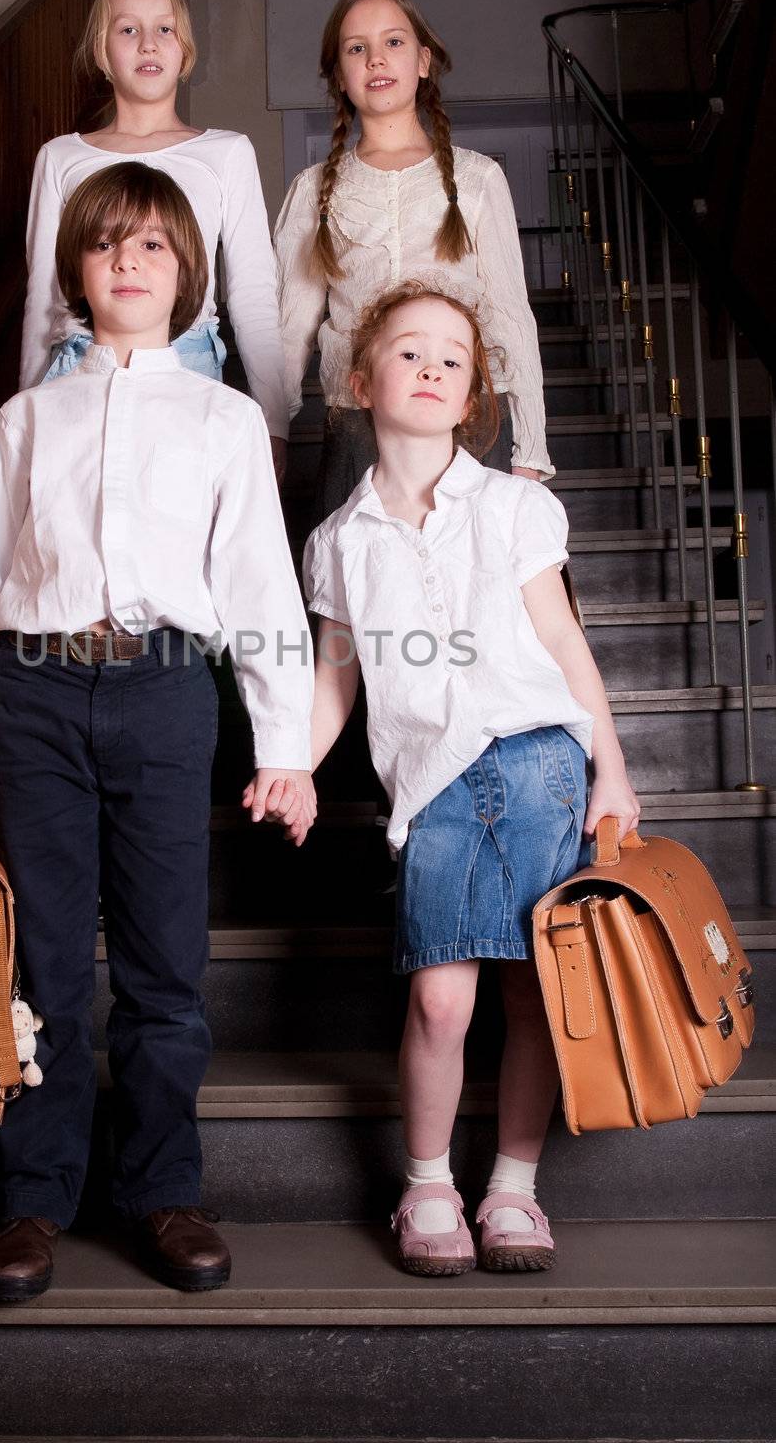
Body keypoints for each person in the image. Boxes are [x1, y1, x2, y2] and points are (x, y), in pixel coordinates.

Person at [0, 162, 313, 1302]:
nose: (129, 263)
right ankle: (33, 1199)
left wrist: (283, 743)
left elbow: (258, 590)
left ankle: (162, 1190)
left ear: (186, 274)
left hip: (161, 694)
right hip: (35, 701)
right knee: (43, 961)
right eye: (106, 246)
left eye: (152, 246)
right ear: (77, 273)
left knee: (162, 964)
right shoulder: (25, 418)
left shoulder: (224, 418)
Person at [263, 276, 638, 1274]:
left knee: (527, 995)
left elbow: (561, 638)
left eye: (451, 359)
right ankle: (426, 1182)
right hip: (429, 788)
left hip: (538, 764)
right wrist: (293, 763)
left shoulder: (517, 506)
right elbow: (335, 677)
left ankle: (511, 1187)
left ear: (471, 397)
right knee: (439, 1002)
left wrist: (612, 768)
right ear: (357, 380)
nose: (428, 367)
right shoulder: (336, 542)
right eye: (407, 350)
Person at [274, 0, 554, 520]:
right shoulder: (313, 192)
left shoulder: (477, 180)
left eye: (393, 42)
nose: (376, 58)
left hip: (469, 423)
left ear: (423, 61)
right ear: (340, 74)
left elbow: (509, 315)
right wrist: (272, 433)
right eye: (357, 48)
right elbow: (287, 330)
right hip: (357, 426)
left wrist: (532, 450)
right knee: (357, 593)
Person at [21, 0, 291, 480]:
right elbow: (43, 298)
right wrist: (26, 411)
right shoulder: (61, 158)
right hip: (79, 367)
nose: (148, 44)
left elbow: (254, 291)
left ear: (184, 50)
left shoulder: (225, 153)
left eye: (164, 29)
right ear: (102, 52)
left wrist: (272, 423)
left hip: (186, 360)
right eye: (128, 29)